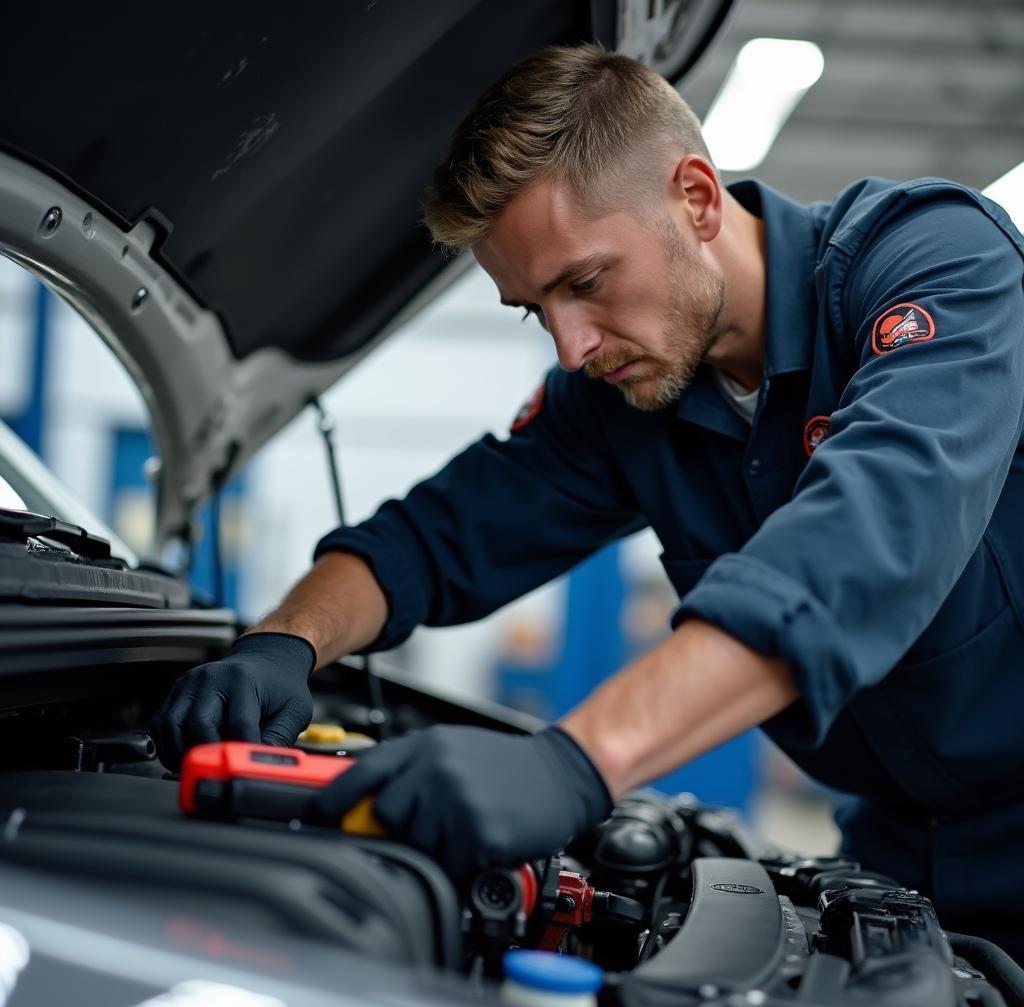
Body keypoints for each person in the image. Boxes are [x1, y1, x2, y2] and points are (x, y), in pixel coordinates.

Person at [151, 45, 1024, 954]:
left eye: (585, 282)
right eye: (535, 308)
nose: (571, 348)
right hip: (898, 858)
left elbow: (871, 536)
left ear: (694, 196)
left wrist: (577, 763)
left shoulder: (931, 262)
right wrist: (284, 641)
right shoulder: (619, 400)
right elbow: (438, 535)